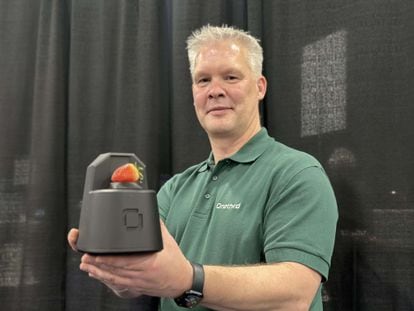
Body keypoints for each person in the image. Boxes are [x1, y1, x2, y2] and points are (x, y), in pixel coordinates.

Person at [68, 24, 338, 310]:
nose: (215, 91)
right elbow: (148, 278)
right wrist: (121, 274)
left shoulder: (297, 174)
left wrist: (189, 279)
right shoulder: (175, 189)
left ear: (260, 87)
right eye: (203, 80)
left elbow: (293, 294)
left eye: (231, 77)